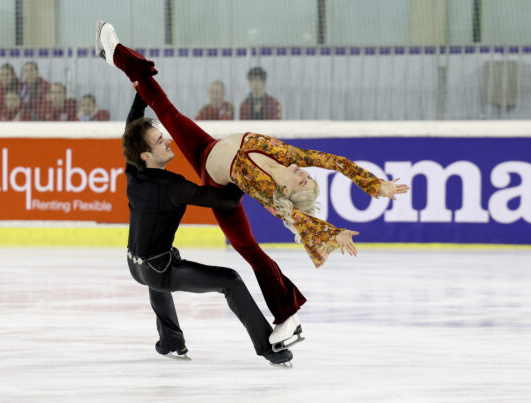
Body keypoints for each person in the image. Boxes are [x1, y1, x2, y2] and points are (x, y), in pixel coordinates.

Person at [96, 21, 409, 350]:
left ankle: (287, 317)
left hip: (218, 189)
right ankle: (117, 56)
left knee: (252, 253)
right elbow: (334, 161)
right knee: (167, 110)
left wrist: (332, 234)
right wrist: (376, 186)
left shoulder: (263, 186)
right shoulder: (288, 155)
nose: (303, 173)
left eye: (301, 182)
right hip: (206, 148)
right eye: (307, 176)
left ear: (287, 193)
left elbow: (293, 218)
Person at [121, 87, 293, 366]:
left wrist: (142, 91)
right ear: (146, 156)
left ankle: (170, 341)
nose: (167, 140)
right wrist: (241, 173)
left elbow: (132, 123)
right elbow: (224, 201)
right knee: (230, 280)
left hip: (134, 265)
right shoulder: (172, 187)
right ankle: (267, 348)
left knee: (165, 260)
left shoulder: (133, 171)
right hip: (157, 271)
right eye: (158, 141)